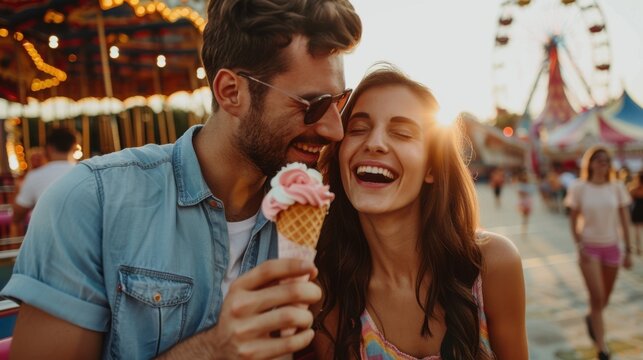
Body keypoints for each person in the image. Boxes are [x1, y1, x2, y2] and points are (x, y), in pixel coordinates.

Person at [1, 1, 362, 358]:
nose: (335, 128)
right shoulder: (91, 202)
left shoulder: (327, 214)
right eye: (313, 105)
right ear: (231, 92)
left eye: (339, 101)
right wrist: (214, 349)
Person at [312, 65, 528, 359]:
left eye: (401, 133)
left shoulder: (493, 265)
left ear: (431, 167)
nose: (374, 143)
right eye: (358, 129)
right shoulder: (326, 288)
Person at [564, 145, 633, 360]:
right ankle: (602, 348)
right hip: (589, 249)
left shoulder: (617, 187)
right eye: (598, 159)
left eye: (606, 159)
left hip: (612, 248)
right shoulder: (579, 187)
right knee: (597, 296)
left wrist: (629, 250)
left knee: (605, 299)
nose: (603, 163)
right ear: (590, 163)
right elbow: (573, 219)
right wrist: (579, 245)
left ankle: (592, 318)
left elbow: (625, 219)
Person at [11, 128, 78, 230]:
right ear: (74, 146)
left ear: (49, 148)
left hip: (46, 237)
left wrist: (17, 188)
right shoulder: (87, 172)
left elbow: (17, 215)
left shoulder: (35, 176)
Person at [629, 171, 643, 255]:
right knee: (639, 231)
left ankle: (638, 247)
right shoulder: (635, 188)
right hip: (638, 210)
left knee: (637, 231)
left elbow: (630, 199)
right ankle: (639, 247)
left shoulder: (635, 188)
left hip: (637, 210)